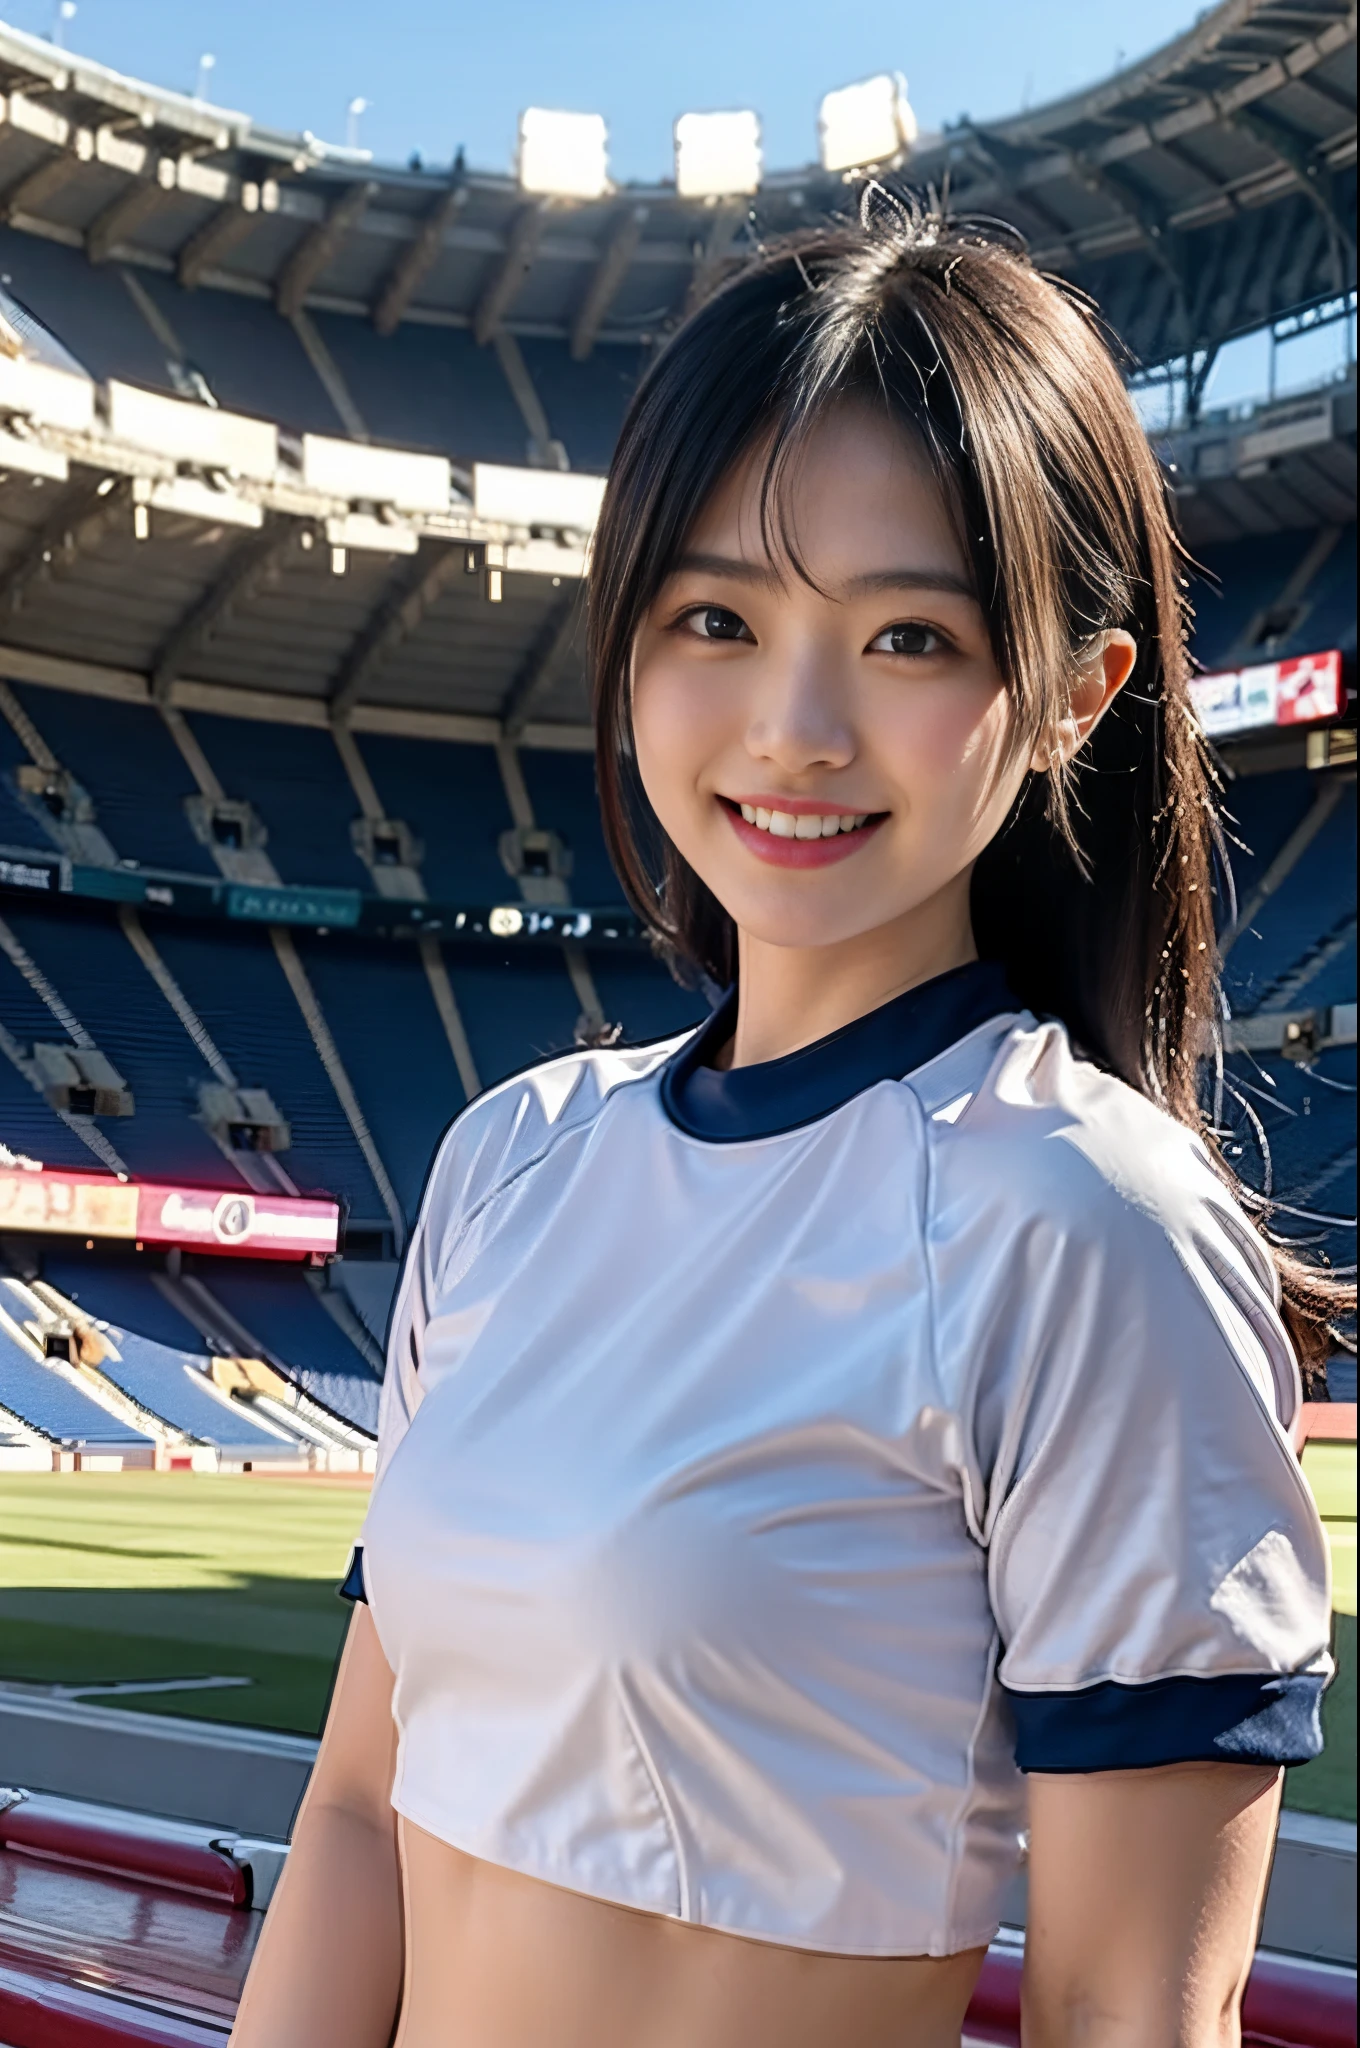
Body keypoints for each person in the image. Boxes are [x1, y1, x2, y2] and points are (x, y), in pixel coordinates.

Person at [231, 198, 1343, 2048]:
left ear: (1076, 694)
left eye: (910, 638)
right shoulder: (511, 1163)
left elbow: (1126, 2017)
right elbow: (357, 1818)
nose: (795, 725)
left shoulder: (1089, 1227)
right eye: (717, 618)